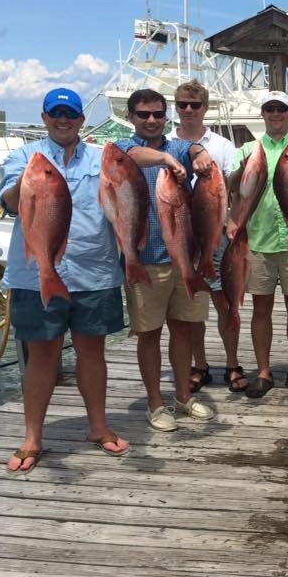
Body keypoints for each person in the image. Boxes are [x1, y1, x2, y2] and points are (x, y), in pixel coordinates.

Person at [0, 88, 129, 472]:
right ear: (44, 117)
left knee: (93, 353)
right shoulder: (25, 157)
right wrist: (23, 183)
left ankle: (98, 426)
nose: (63, 119)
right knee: (42, 355)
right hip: (36, 273)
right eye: (55, 112)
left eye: (70, 113)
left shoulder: (101, 159)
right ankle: (32, 436)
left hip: (95, 271)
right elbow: (7, 202)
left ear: (81, 120)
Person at [115, 88, 217, 431]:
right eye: (143, 114)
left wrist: (199, 150)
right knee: (149, 333)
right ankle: (155, 403)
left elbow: (188, 148)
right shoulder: (122, 150)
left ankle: (184, 395)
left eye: (158, 114)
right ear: (131, 117)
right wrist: (163, 161)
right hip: (145, 261)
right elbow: (136, 155)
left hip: (185, 258)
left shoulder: (176, 148)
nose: (151, 120)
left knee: (184, 330)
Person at [229, 91, 288, 398]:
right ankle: (263, 372)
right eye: (269, 109)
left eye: (281, 109)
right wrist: (239, 169)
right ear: (263, 114)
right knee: (261, 309)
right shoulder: (247, 148)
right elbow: (234, 188)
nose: (275, 114)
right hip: (257, 240)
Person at [167, 80, 247, 394]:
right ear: (176, 107)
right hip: (183, 236)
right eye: (183, 104)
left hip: (215, 233)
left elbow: (232, 189)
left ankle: (232, 362)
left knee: (224, 302)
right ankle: (199, 364)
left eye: (195, 105)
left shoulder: (223, 146)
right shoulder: (166, 143)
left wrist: (233, 222)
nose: (188, 110)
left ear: (205, 108)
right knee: (192, 305)